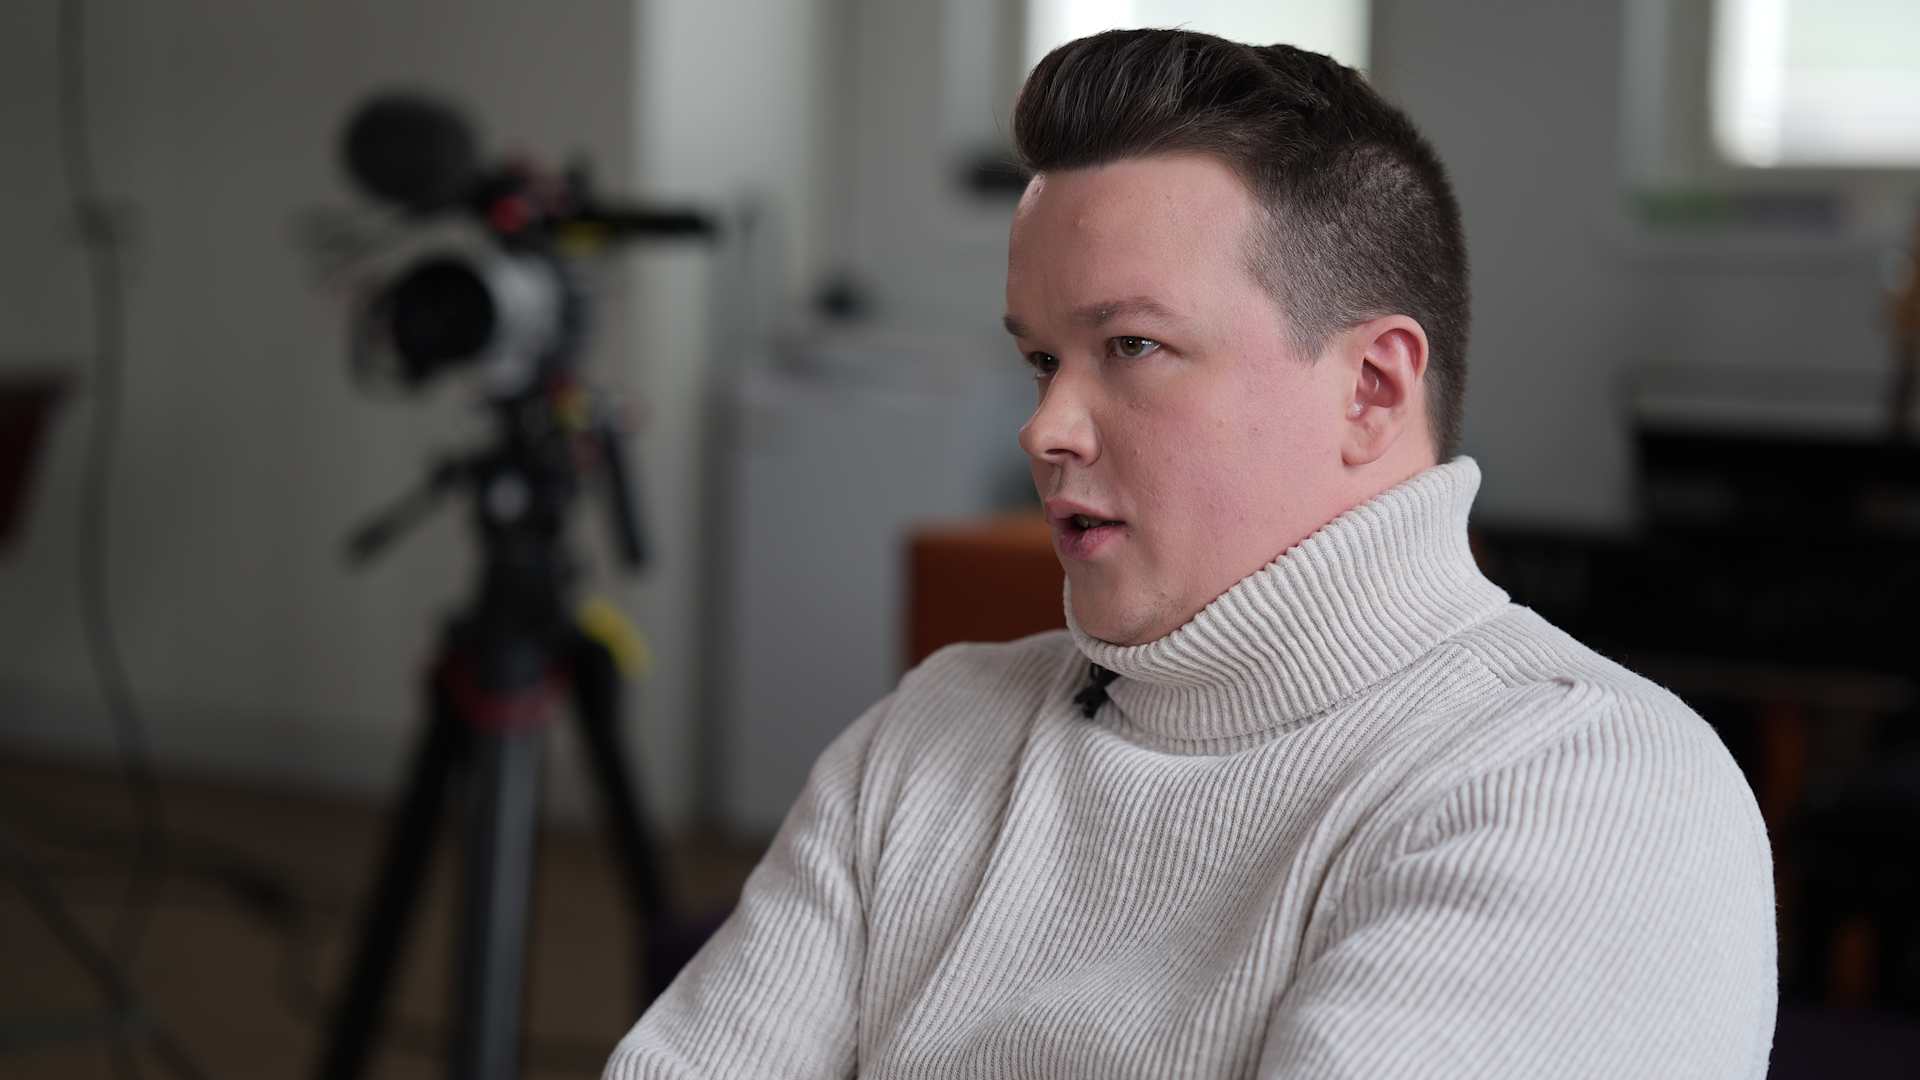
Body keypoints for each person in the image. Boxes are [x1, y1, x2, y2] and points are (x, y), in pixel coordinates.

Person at [605, 29, 1776, 1079]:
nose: (1045, 428)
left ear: (1372, 389)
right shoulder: (933, 729)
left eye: (1130, 346)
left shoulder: (1585, 786)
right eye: (1041, 360)